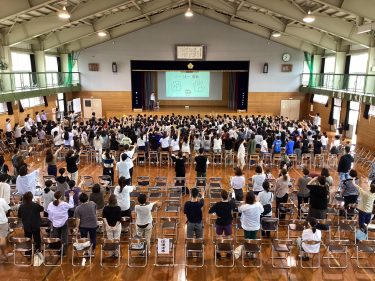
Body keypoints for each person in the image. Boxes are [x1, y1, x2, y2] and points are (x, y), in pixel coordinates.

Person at [0, 197, 10, 262]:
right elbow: (7, 210)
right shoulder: (2, 200)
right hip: (3, 222)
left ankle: (3, 254)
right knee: (3, 239)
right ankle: (3, 254)